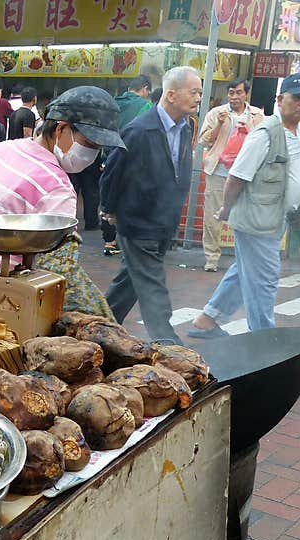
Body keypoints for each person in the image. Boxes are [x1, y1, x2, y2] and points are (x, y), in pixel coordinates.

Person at [0, 86, 124, 318]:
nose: (92, 155)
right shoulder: (56, 188)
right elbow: (61, 272)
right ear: (61, 129)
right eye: (90, 145)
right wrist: (107, 321)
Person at [187, 74, 300, 340]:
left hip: (275, 216)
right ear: (280, 100)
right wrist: (225, 209)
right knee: (263, 281)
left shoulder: (296, 129)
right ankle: (262, 339)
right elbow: (237, 176)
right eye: (297, 98)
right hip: (258, 219)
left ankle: (207, 320)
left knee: (244, 270)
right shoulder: (265, 133)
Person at [100, 66, 203, 344]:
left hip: (163, 221)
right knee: (152, 285)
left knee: (130, 282)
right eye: (193, 92)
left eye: (200, 93)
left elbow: (180, 171)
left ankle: (100, 328)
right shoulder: (140, 129)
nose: (198, 98)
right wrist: (108, 209)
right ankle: (169, 345)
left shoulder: (184, 128)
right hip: (138, 221)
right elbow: (113, 171)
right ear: (171, 94)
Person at [198, 78, 265, 273]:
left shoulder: (257, 115)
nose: (234, 97)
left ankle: (244, 258)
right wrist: (218, 125)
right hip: (219, 171)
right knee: (212, 216)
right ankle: (211, 258)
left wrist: (250, 131)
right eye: (231, 93)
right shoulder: (216, 113)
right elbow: (204, 141)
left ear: (246, 94)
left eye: (238, 93)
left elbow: (264, 141)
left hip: (245, 174)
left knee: (246, 216)